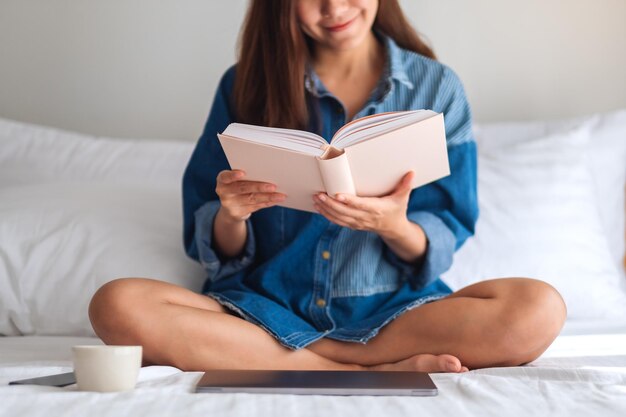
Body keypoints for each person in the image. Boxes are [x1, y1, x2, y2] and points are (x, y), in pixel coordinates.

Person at [89, 0, 566, 373]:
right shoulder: (245, 85)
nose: (334, 10)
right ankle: (367, 370)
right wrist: (230, 214)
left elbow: (449, 223)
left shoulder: (436, 87)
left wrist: (395, 225)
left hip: (392, 315)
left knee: (538, 308)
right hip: (261, 312)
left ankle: (324, 361)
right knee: (117, 304)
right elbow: (209, 239)